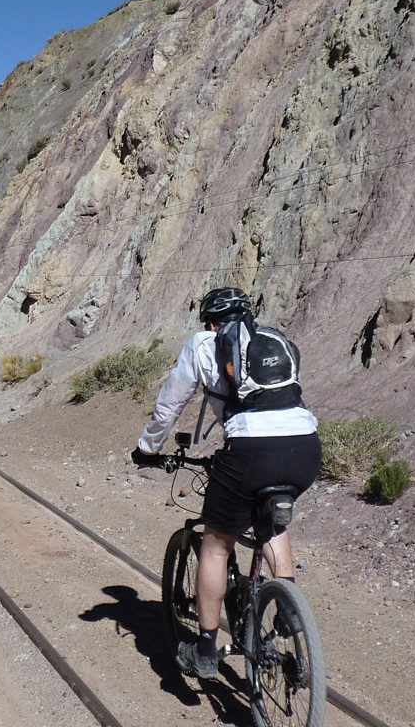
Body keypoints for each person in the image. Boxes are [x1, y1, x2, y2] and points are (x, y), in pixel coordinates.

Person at [131, 287, 321, 680]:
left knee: (216, 545)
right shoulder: (272, 342)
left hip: (249, 450)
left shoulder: (204, 344)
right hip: (304, 447)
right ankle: (289, 609)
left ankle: (203, 648)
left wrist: (148, 448)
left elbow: (170, 404)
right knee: (272, 524)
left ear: (212, 322)